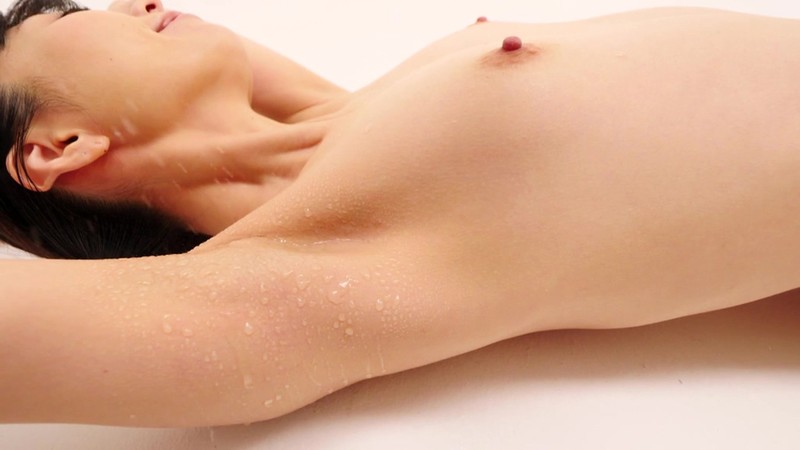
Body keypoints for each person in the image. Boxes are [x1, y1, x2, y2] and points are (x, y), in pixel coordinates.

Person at [0, 0, 798, 427]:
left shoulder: (344, 118)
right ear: (55, 147)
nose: (137, 1)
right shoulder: (314, 261)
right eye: (67, 15)